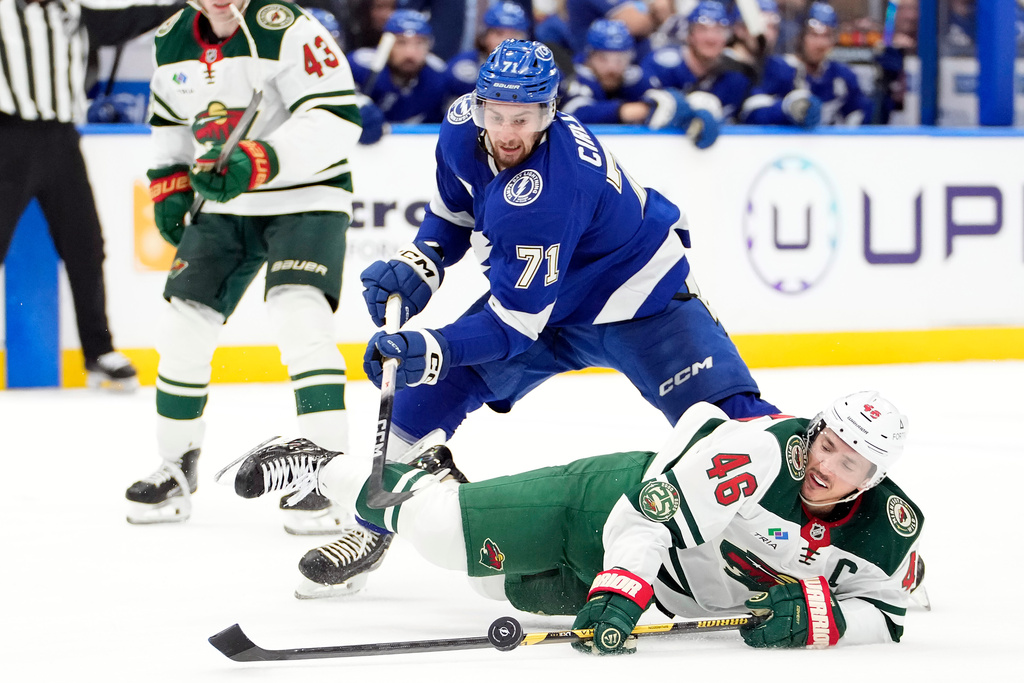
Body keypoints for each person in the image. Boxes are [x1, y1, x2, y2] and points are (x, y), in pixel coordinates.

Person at [296, 38, 775, 597]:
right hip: (549, 301)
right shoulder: (457, 128)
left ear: (550, 112)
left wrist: (432, 344)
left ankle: (830, 526)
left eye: (522, 118)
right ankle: (374, 521)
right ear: (476, 106)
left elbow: (512, 327)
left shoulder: (550, 188)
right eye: (495, 115)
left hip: (640, 301)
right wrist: (422, 259)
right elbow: (454, 211)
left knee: (733, 428)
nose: (505, 132)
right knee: (430, 392)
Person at [232, 390, 926, 652]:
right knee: (445, 537)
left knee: (491, 587)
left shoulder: (886, 529)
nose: (827, 466)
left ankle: (444, 482)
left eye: (851, 463)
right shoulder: (760, 453)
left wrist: (823, 619)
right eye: (829, 443)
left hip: (660, 597)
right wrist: (620, 587)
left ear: (874, 479)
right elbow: (649, 519)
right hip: (605, 509)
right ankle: (318, 462)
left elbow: (888, 613)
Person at [124, 0, 361, 529]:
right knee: (182, 323)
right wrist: (169, 181)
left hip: (308, 194)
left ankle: (327, 477)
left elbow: (339, 118)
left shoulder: (289, 27)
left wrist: (261, 158)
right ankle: (175, 467)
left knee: (300, 314)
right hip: (226, 200)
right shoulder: (171, 39)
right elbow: (171, 124)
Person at [0, 0, 184, 391]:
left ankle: (98, 351)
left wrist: (182, 5)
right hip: (7, 136)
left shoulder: (71, 11)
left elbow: (130, 20)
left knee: (86, 245)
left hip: (63, 140)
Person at [560, 16, 718, 147]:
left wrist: (691, 113)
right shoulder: (576, 75)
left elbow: (666, 101)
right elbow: (574, 114)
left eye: (620, 59)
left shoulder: (633, 76)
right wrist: (638, 110)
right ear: (589, 57)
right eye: (603, 58)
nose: (612, 68)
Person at [740, 2, 871, 128]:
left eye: (827, 36)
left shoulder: (843, 75)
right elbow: (751, 113)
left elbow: (861, 115)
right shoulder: (778, 69)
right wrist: (786, 109)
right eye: (814, 35)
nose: (820, 43)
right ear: (801, 36)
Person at [641, 1, 754, 124]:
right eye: (702, 29)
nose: (711, 38)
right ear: (689, 34)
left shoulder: (737, 74)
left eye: (719, 30)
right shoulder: (660, 65)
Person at [347, 9, 449, 124]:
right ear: (385, 43)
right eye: (401, 42)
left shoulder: (438, 75)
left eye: (419, 43)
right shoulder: (358, 67)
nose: (410, 53)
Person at [446, 2, 532, 103]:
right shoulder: (462, 65)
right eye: (499, 33)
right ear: (485, 36)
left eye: (515, 34)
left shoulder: (536, 69)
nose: (507, 41)